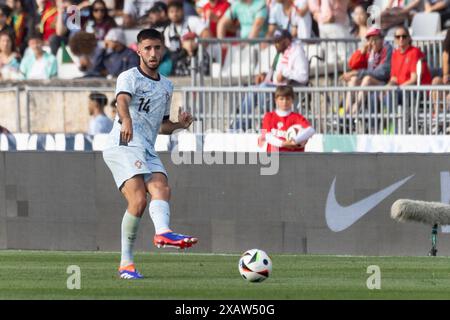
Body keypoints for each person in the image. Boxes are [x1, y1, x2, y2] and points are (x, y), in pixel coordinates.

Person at [102, 28, 197, 280]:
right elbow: (122, 101)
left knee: (161, 187)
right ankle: (126, 264)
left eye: (157, 48)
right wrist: (126, 121)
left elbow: (161, 124)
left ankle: (163, 232)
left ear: (162, 49)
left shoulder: (166, 85)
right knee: (138, 200)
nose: (152, 53)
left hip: (146, 146)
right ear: (138, 50)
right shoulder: (129, 76)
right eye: (147, 48)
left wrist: (179, 125)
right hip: (122, 142)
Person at [341, 27, 392, 114]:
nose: (373, 43)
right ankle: (346, 112)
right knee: (353, 80)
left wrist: (358, 73)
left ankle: (356, 108)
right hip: (368, 84)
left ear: (382, 39)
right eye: (370, 40)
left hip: (384, 83)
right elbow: (352, 65)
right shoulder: (369, 51)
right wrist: (361, 53)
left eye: (376, 39)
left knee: (367, 79)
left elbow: (383, 73)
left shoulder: (387, 49)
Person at [259, 85, 315, 152]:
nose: (285, 102)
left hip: (294, 158)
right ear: (276, 100)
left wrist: (296, 140)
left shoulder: (298, 117)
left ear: (292, 100)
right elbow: (266, 136)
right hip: (274, 158)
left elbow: (311, 130)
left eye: (288, 99)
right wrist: (283, 144)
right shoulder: (268, 116)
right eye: (281, 99)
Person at [164, 0, 210, 76]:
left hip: (196, 56)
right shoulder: (168, 30)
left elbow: (206, 34)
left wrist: (196, 46)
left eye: (177, 11)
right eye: (171, 12)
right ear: (168, 14)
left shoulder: (192, 20)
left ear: (182, 11)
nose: (175, 14)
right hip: (177, 60)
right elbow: (170, 49)